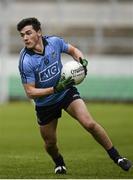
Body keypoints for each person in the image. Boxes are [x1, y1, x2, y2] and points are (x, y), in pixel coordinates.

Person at [17, 17, 132, 174]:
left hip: (66, 92)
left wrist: (82, 61)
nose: (25, 38)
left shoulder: (54, 42)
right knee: (50, 143)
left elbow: (73, 50)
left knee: (89, 123)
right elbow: (30, 92)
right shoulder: (25, 60)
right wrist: (55, 88)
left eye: (28, 33)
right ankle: (59, 162)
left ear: (38, 32)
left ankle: (117, 157)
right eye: (22, 35)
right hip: (45, 103)